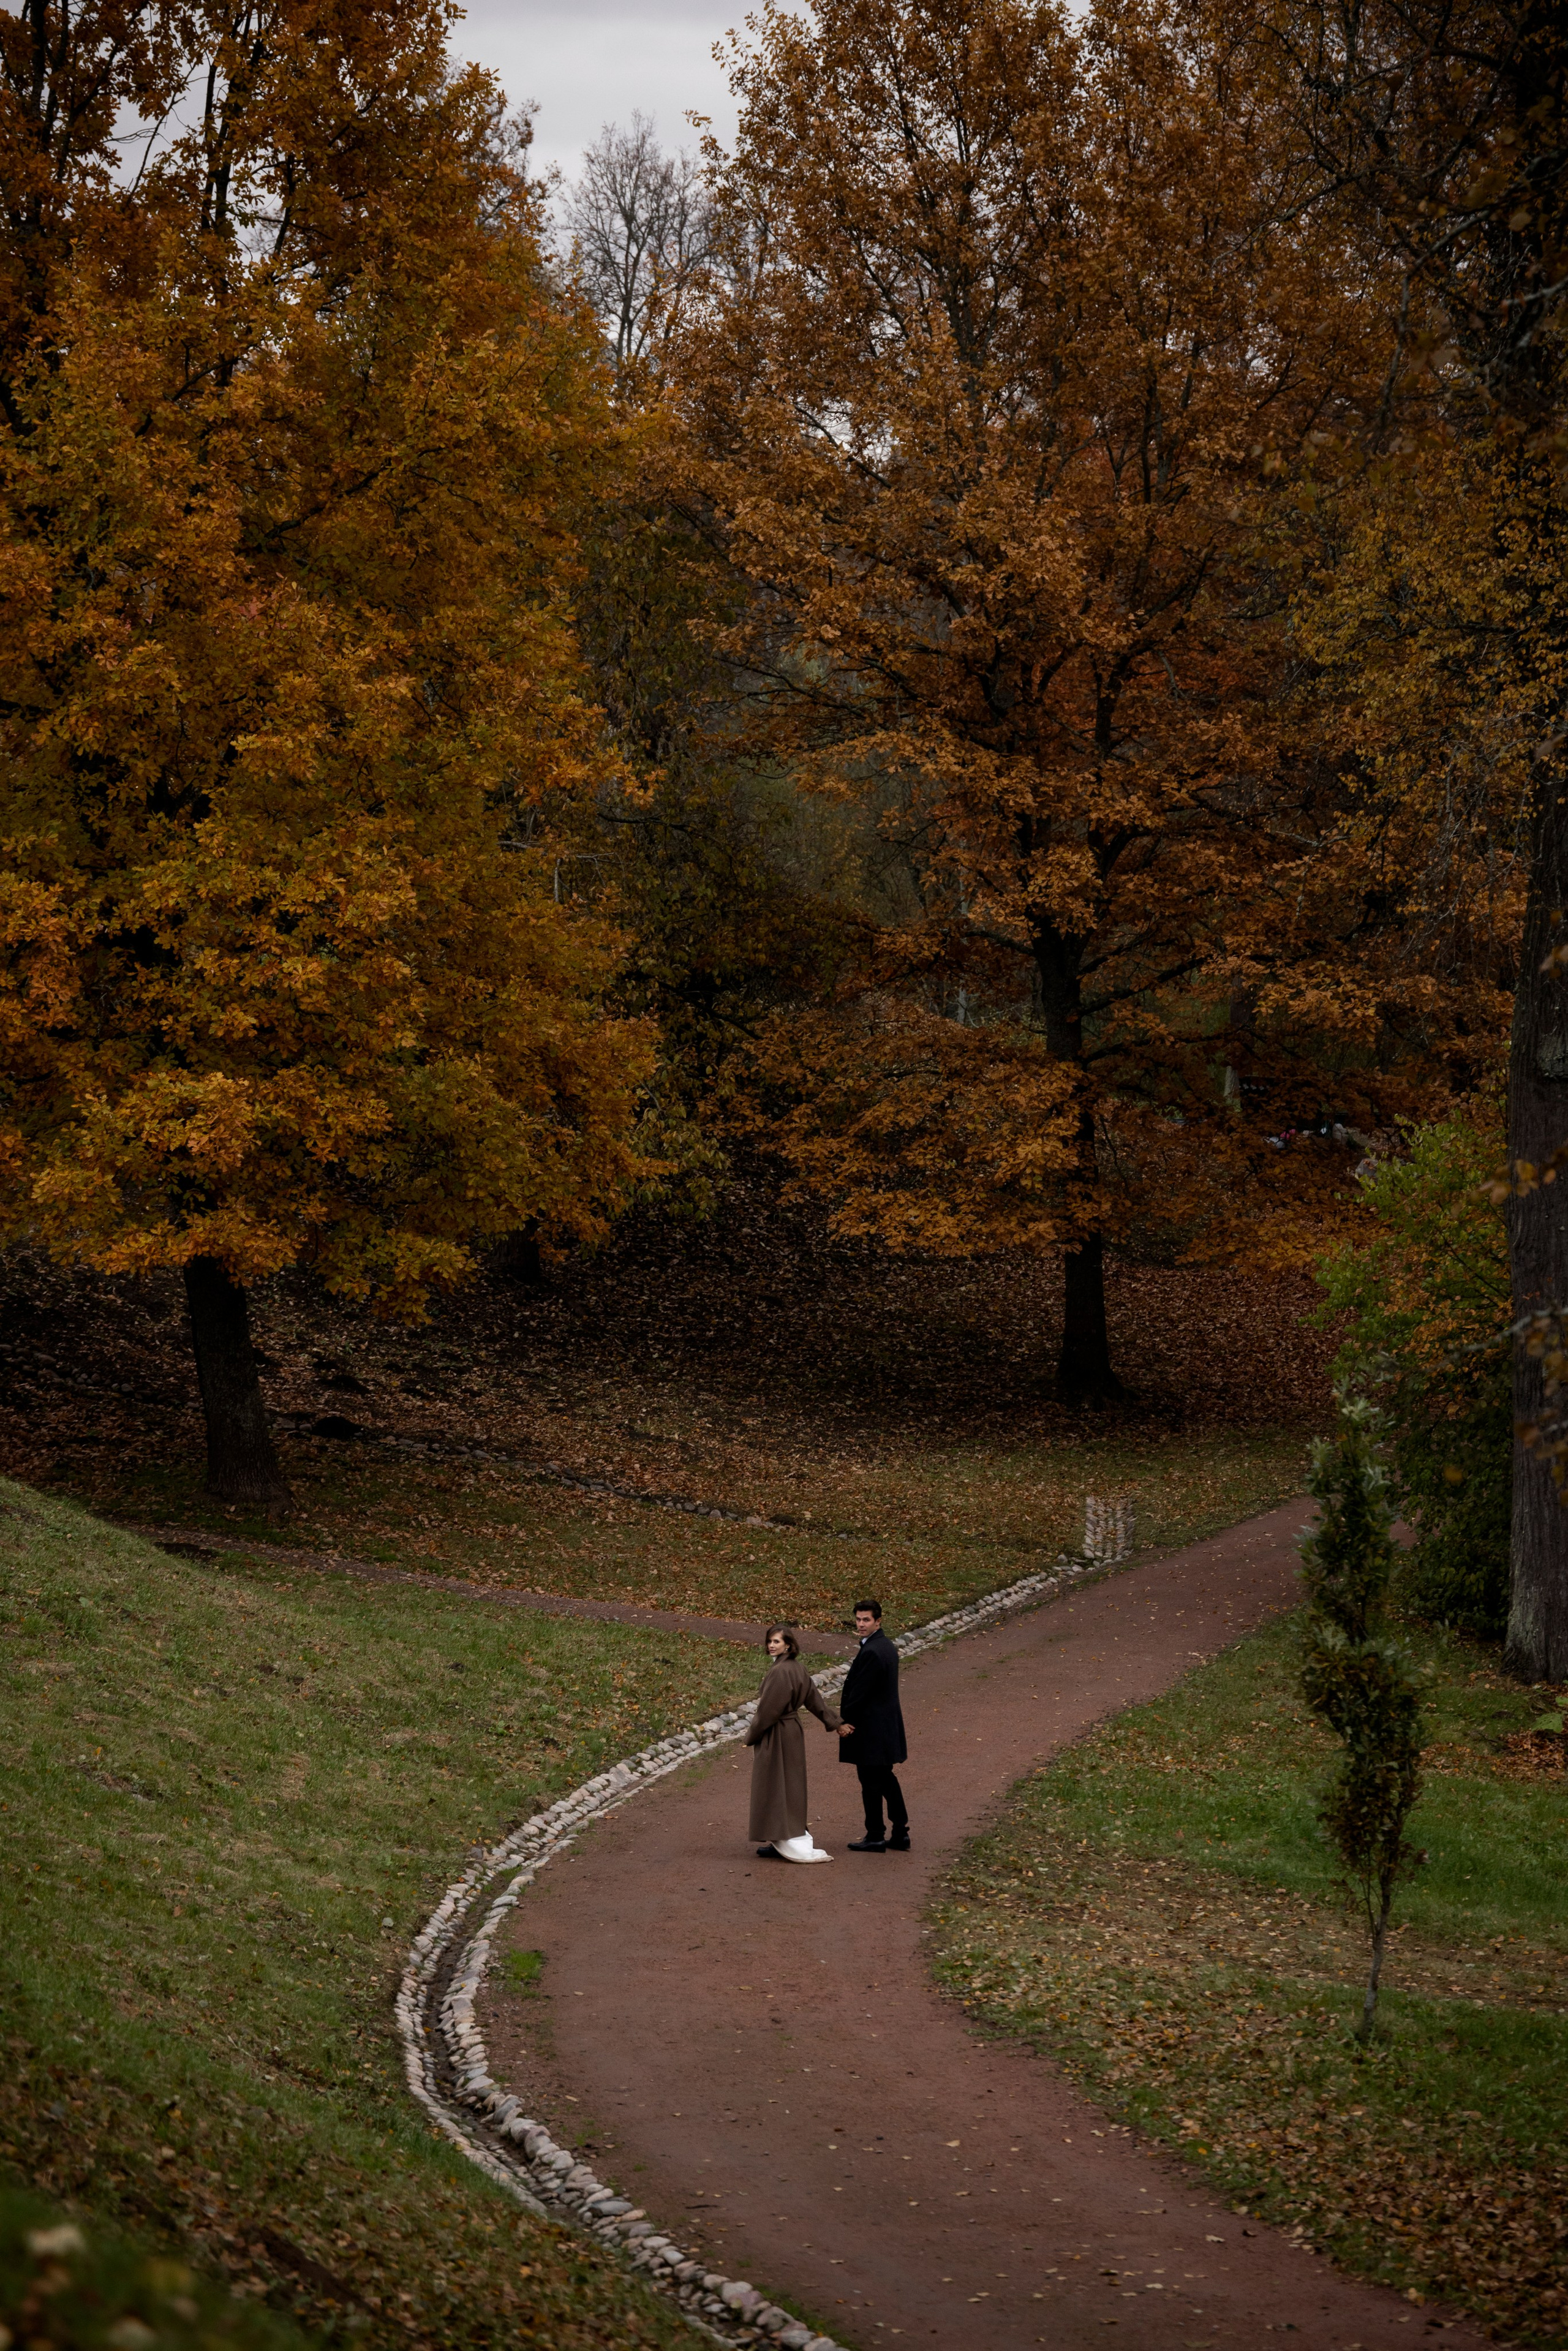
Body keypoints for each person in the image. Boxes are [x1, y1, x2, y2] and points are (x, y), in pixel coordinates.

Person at [743, 1625, 842, 1862]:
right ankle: (782, 1836)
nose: (771, 1645)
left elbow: (768, 1712)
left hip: (777, 1733)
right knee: (791, 1784)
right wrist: (835, 1722)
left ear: (788, 1645)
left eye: (777, 1641)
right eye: (770, 1641)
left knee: (774, 1783)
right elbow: (815, 1700)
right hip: (793, 1731)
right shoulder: (798, 1668)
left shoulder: (780, 1672)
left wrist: (752, 1736)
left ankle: (781, 1836)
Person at [835, 1598, 908, 1851]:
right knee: (885, 1779)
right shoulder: (885, 1646)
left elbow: (859, 1695)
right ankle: (900, 1832)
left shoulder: (873, 1651)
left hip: (869, 1730)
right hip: (883, 1728)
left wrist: (843, 1721)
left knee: (871, 1783)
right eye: (858, 1619)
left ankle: (876, 1834)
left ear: (878, 1621)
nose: (861, 1624)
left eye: (866, 1620)